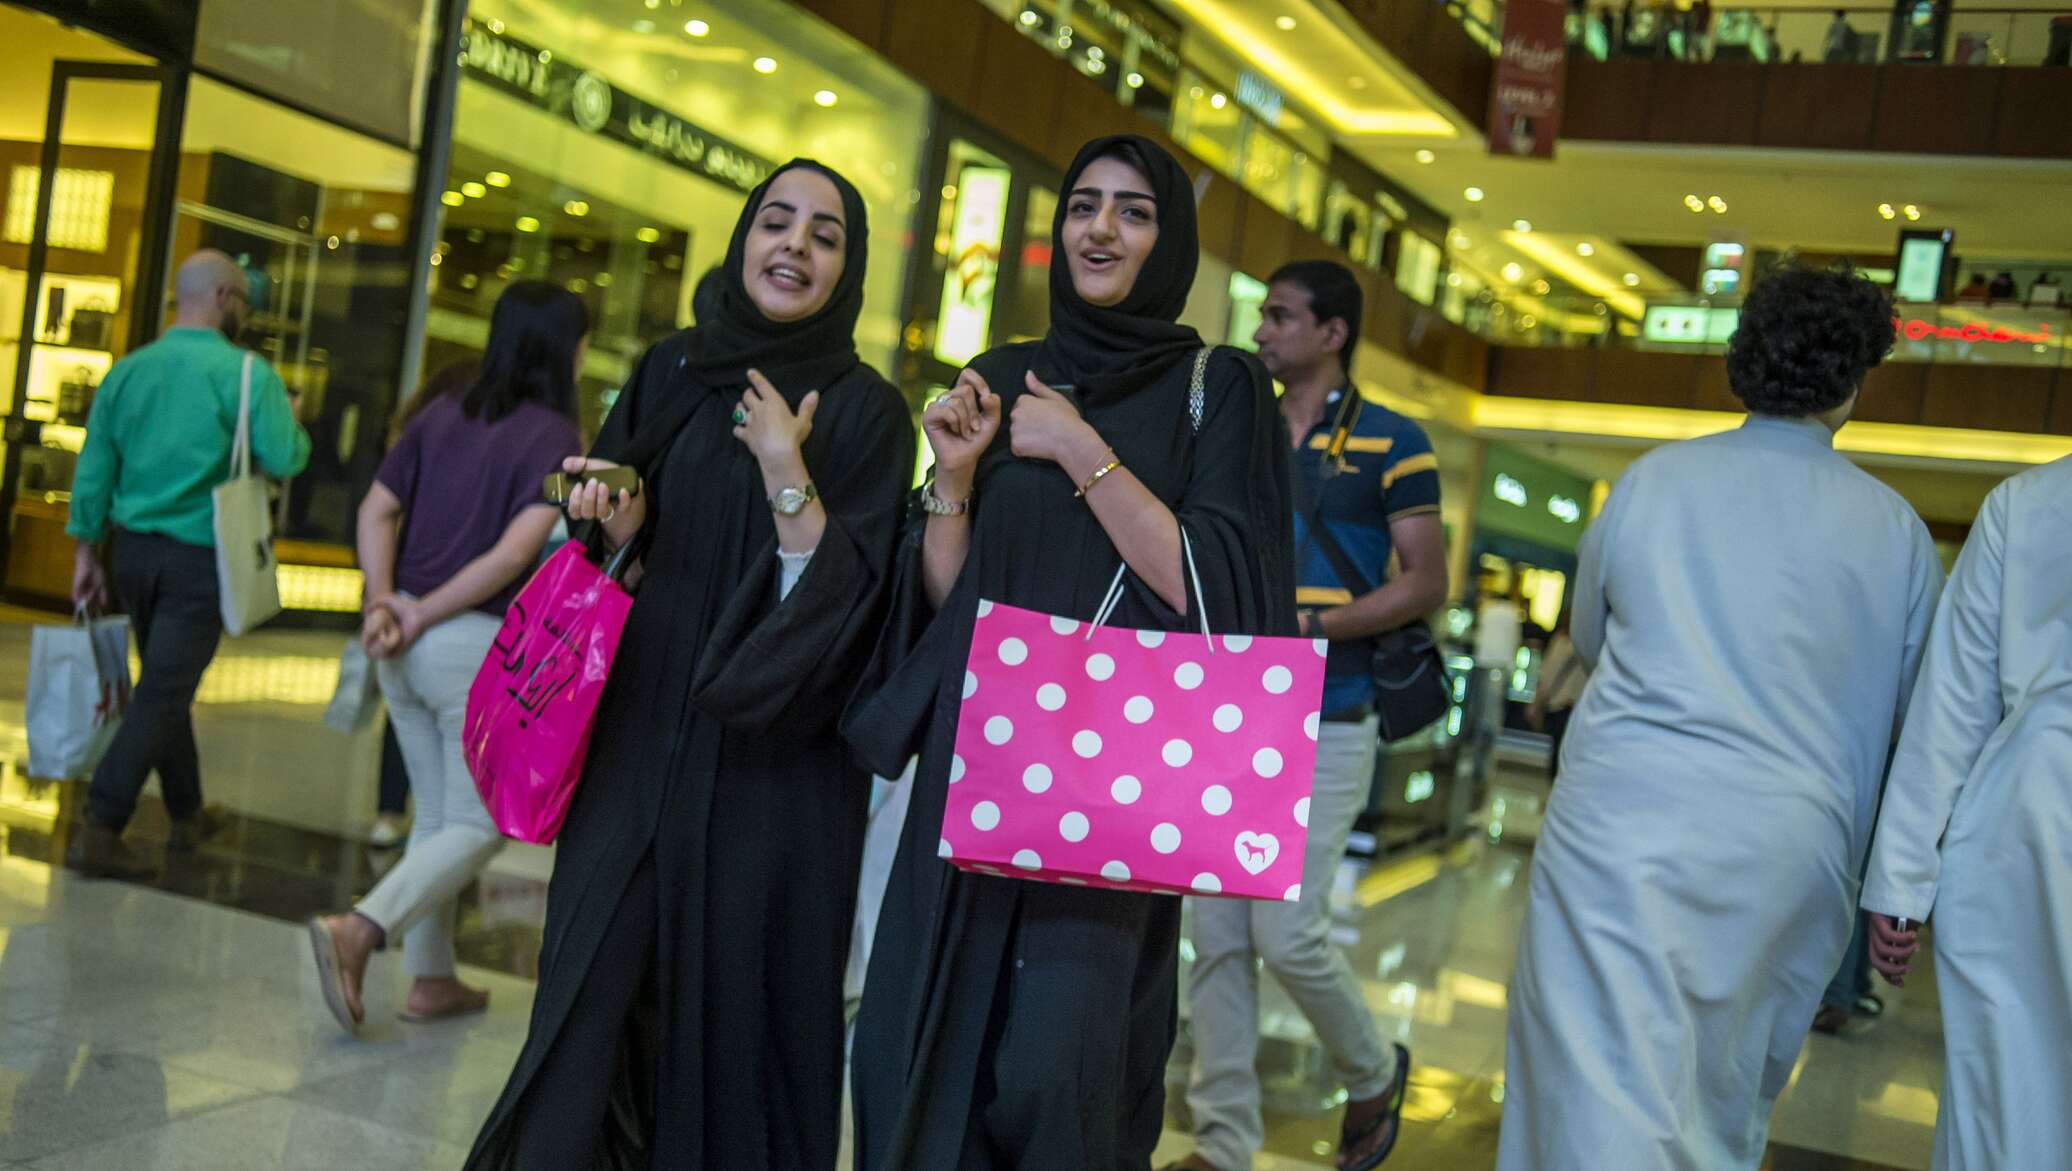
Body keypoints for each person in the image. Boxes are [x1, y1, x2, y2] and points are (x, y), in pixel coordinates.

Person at [846, 134, 1295, 1171]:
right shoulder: (1003, 375)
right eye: (1083, 204)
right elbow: (952, 602)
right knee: (918, 1051)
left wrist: (1082, 451)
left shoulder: (1218, 386)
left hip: (1112, 783)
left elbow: (1215, 593)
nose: (1100, 229)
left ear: (1168, 241)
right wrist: (954, 480)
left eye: (1133, 212)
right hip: (977, 762)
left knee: (1059, 1063)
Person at [463, 160, 913, 1169]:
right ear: (743, 239)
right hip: (636, 738)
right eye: (776, 222)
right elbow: (612, 552)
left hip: (773, 775)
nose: (794, 246)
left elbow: (854, 609)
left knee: (729, 1026)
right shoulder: (673, 368)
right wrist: (617, 524)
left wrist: (785, 467)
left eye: (825, 235)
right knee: (586, 1001)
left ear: (848, 269)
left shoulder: (864, 412)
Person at [1496, 265, 1942, 1171]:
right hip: (1790, 840)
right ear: (1854, 380)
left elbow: (1592, 633)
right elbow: (1912, 711)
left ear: (1746, 360)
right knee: (1724, 1088)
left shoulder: (1654, 482)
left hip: (1620, 817)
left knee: (1583, 1065)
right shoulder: (1896, 530)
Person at [1167, 260, 1442, 1171]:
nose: (1261, 331)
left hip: (1335, 711)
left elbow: (1425, 580)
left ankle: (1372, 1069)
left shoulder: (1394, 440)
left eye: (1281, 317)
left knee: (1285, 931)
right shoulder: (1234, 431)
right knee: (1216, 938)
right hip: (1231, 710)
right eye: (1262, 315)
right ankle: (1223, 1142)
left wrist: (1311, 628)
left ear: (1333, 332)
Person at [304, 282, 585, 1032]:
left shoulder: (442, 411)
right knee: (484, 823)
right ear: (566, 350)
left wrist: (384, 602)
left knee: (436, 815)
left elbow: (376, 508)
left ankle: (431, 979)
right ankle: (360, 928)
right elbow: (516, 554)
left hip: (399, 644)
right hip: (468, 643)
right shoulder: (556, 435)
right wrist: (424, 611)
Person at [63, 249, 310, 879]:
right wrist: (293, 424)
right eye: (244, 303)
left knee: (163, 684)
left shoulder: (129, 370)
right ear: (225, 298)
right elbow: (286, 457)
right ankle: (101, 823)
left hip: (132, 554)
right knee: (163, 692)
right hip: (201, 557)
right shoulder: (247, 374)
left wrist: (86, 551)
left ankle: (186, 811)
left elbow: (94, 469)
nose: (245, 315)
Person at [1859, 453, 2072, 1169]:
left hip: (2028, 816)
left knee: (2004, 1091)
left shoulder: (2029, 501)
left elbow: (1952, 702)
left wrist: (1900, 882)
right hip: (2028, 809)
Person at [1526, 609, 1585, 779]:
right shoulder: (1587, 646)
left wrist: (1537, 702)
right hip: (1576, 705)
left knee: (1557, 753)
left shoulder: (1561, 642)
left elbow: (1548, 675)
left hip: (1558, 703)